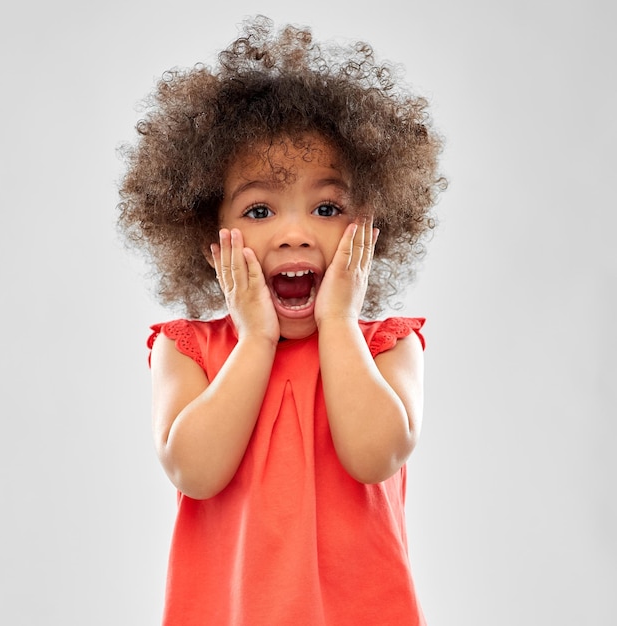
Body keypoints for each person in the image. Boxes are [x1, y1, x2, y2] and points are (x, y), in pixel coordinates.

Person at [118, 15, 445, 626]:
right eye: (260, 209)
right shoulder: (187, 351)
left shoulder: (386, 347)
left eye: (326, 207)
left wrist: (342, 321)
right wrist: (257, 338)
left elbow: (376, 454)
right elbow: (194, 469)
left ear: (367, 229)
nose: (294, 234)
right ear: (205, 231)